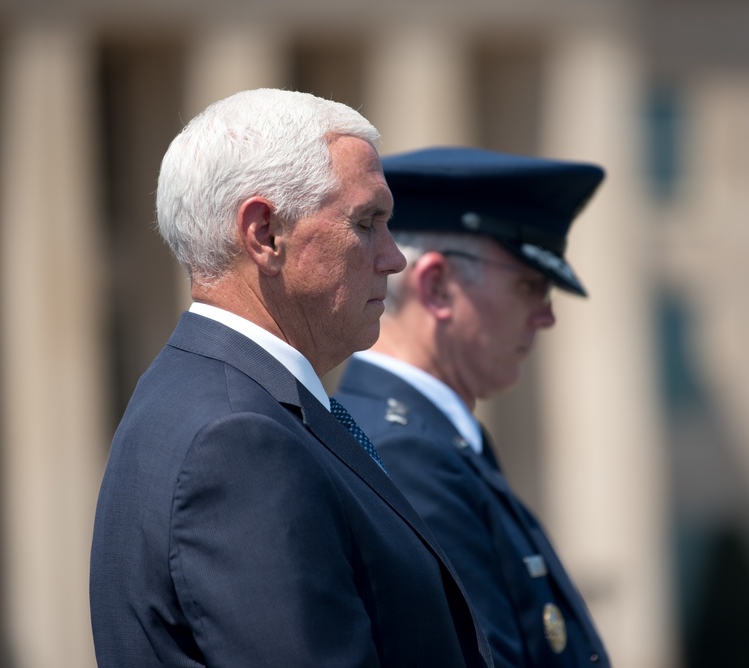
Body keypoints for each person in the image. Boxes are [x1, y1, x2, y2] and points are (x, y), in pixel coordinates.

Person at [89, 90, 493, 668]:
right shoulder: (237, 441)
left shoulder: (216, 401)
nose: (394, 257)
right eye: (367, 222)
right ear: (264, 233)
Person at [334, 146, 611, 667]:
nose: (545, 317)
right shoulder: (407, 454)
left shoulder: (429, 439)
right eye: (531, 286)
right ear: (437, 286)